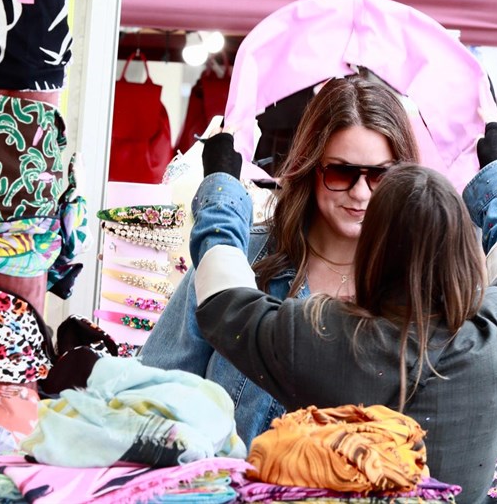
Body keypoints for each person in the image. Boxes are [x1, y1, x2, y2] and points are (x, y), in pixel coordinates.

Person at [188, 122, 497, 504]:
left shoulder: (324, 338)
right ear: (463, 245)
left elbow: (223, 301)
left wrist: (222, 185)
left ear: (372, 249)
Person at [138, 75, 420, 446]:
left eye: (380, 176)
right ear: (310, 167)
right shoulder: (243, 257)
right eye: (341, 172)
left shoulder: (418, 282)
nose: (360, 192)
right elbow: (155, 392)